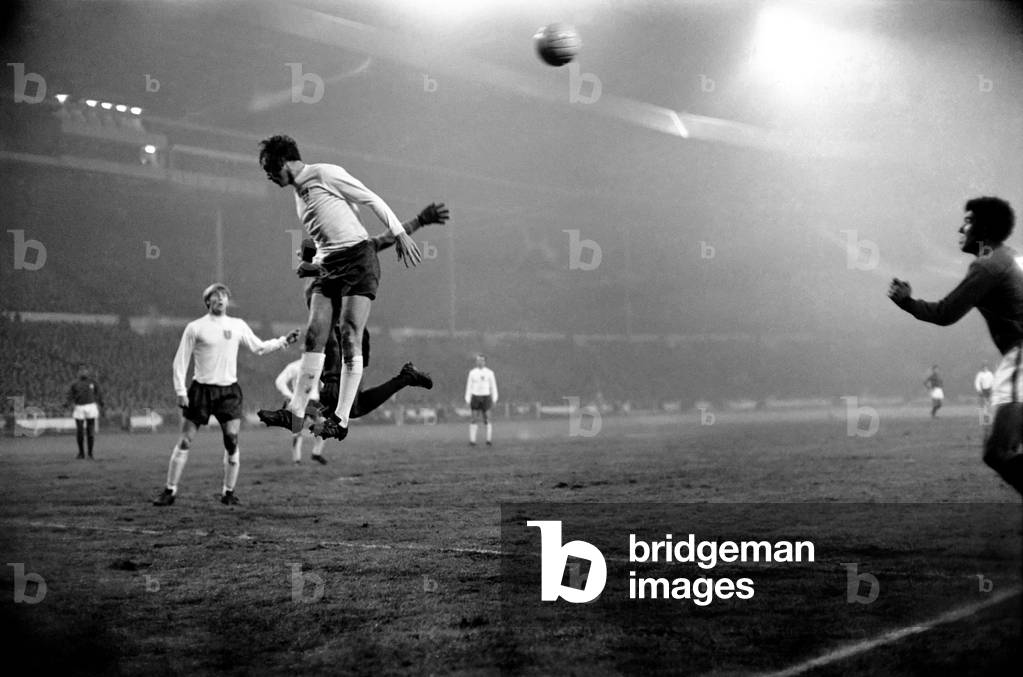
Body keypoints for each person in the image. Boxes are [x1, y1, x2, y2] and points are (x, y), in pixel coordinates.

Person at [258, 134, 422, 443]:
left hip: (358, 260)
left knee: (348, 332)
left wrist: (400, 233)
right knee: (314, 333)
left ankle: (341, 420)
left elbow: (370, 197)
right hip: (330, 267)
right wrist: (316, 263)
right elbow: (325, 237)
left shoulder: (324, 173)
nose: (268, 176)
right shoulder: (299, 196)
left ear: (285, 161)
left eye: (270, 168)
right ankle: (294, 414)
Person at [258, 201, 448, 437]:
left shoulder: (353, 249)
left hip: (344, 336)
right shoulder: (321, 252)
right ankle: (405, 377)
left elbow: (388, 238)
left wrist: (420, 220)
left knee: (338, 397)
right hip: (339, 339)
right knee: (353, 406)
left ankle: (400, 378)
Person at [889, 196, 1023, 495]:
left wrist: (907, 302)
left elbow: (945, 313)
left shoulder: (988, 266)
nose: (961, 228)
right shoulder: (1009, 258)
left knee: (998, 453)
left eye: (968, 221)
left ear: (984, 229)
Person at [152, 284, 299, 507]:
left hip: (228, 391)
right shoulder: (196, 327)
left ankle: (228, 493)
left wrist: (283, 341)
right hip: (201, 390)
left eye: (224, 296)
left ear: (228, 301)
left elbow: (258, 347)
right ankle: (169, 490)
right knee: (185, 439)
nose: (220, 299)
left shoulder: (237, 325)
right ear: (207, 301)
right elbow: (180, 361)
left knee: (231, 440)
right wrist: (181, 391)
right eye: (215, 296)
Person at [274, 358, 326, 464]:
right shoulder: (294, 366)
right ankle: (296, 460)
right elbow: (280, 381)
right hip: (300, 401)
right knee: (297, 431)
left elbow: (322, 381)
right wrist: (290, 396)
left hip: (313, 402)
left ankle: (316, 453)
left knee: (323, 425)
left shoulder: (317, 365)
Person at [66, 364, 103, 459]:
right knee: (80, 431)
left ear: (88, 372)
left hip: (91, 406)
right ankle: (81, 453)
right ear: (78, 372)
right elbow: (70, 395)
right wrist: (68, 403)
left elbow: (98, 393)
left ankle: (90, 453)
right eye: (81, 370)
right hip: (79, 407)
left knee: (90, 431)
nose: (83, 372)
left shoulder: (93, 382)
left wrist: (100, 402)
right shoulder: (74, 384)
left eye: (85, 370)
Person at [465, 354, 498, 447]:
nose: (480, 362)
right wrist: (467, 399)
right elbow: (469, 386)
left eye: (482, 360)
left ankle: (488, 440)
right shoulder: (472, 373)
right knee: (474, 418)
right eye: (478, 360)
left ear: (485, 362)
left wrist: (494, 398)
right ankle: (472, 441)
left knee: (487, 418)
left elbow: (493, 387)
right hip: (475, 396)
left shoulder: (490, 373)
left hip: (486, 397)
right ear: (476, 362)